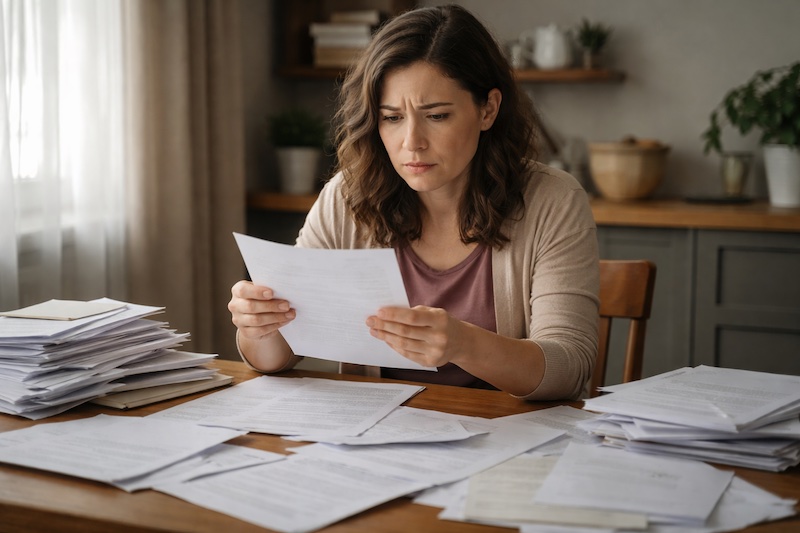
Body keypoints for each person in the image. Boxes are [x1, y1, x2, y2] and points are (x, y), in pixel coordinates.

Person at [229, 4, 599, 400]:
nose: (411, 143)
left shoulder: (554, 200)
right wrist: (258, 328)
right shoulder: (347, 198)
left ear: (488, 109)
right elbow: (275, 357)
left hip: (511, 441)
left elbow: (570, 369)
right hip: (376, 441)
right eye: (391, 118)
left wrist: (463, 344)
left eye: (436, 116)